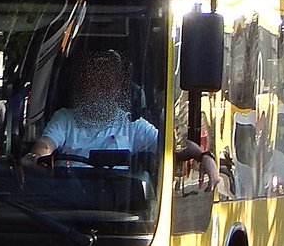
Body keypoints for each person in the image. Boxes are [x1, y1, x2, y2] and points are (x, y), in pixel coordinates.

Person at [20, 50, 220, 189]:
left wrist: (205, 157)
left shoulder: (132, 125)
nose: (100, 90)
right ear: (82, 87)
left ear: (118, 89)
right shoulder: (65, 119)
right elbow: (46, 144)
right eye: (93, 83)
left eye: (107, 84)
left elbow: (176, 148)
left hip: (116, 208)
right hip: (69, 201)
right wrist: (35, 157)